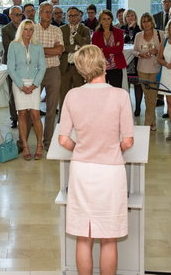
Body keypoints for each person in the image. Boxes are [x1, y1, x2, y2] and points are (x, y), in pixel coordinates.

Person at [58, 44, 134, 275]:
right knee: (108, 238)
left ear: (81, 69)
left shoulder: (73, 95)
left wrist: (81, 147)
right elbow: (128, 141)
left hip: (82, 170)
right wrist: (111, 149)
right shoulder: (120, 95)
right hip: (110, 171)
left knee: (84, 236)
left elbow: (63, 139)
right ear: (103, 63)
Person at [7, 20, 46, 160]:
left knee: (35, 114)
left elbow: (42, 67)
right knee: (22, 114)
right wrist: (21, 85)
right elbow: (10, 68)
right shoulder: (14, 45)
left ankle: (39, 145)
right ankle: (25, 146)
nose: (28, 32)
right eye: (26, 29)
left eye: (31, 29)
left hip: (34, 83)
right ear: (21, 30)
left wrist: (35, 84)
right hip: (19, 84)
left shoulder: (38, 46)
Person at [33, 1, 64, 150]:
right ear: (39, 13)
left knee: (52, 108)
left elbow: (59, 51)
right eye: (45, 11)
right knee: (33, 108)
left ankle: (48, 141)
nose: (48, 14)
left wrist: (40, 50)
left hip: (53, 70)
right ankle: (36, 141)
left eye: (50, 12)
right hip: (35, 71)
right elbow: (31, 51)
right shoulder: (32, 29)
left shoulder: (57, 30)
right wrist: (48, 50)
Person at [133, 13, 165, 130]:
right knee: (148, 96)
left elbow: (165, 50)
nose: (146, 23)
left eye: (148, 21)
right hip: (142, 69)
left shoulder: (160, 34)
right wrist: (140, 54)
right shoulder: (138, 35)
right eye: (144, 21)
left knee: (152, 96)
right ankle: (152, 122)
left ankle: (147, 123)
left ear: (152, 22)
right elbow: (134, 51)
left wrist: (157, 51)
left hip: (155, 68)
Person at [60, 6, 91, 108]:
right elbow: (62, 47)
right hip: (65, 67)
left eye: (75, 15)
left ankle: (79, 121)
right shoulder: (61, 29)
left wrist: (74, 33)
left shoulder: (85, 29)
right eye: (70, 16)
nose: (72, 18)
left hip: (79, 68)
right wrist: (76, 47)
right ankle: (63, 121)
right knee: (64, 97)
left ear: (79, 17)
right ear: (67, 17)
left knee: (80, 97)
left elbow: (86, 46)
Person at [91, 10, 127, 88]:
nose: (106, 21)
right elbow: (96, 51)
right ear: (100, 20)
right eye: (104, 19)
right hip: (101, 68)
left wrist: (104, 50)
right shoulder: (96, 34)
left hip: (116, 67)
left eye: (108, 18)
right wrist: (113, 48)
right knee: (102, 92)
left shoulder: (119, 32)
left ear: (112, 19)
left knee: (116, 91)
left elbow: (119, 49)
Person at [2, 5, 23, 128]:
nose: (19, 17)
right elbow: (7, 46)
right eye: (16, 14)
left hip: (24, 64)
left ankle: (24, 115)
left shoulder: (25, 27)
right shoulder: (6, 29)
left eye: (20, 14)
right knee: (12, 92)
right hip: (11, 64)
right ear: (10, 16)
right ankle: (14, 118)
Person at [121, 8, 142, 116]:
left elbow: (136, 42)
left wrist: (133, 29)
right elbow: (122, 42)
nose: (130, 18)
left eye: (132, 15)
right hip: (125, 60)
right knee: (125, 84)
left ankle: (138, 107)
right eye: (128, 16)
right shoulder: (121, 29)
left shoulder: (139, 29)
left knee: (137, 84)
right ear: (125, 18)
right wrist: (128, 29)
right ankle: (126, 107)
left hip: (136, 60)